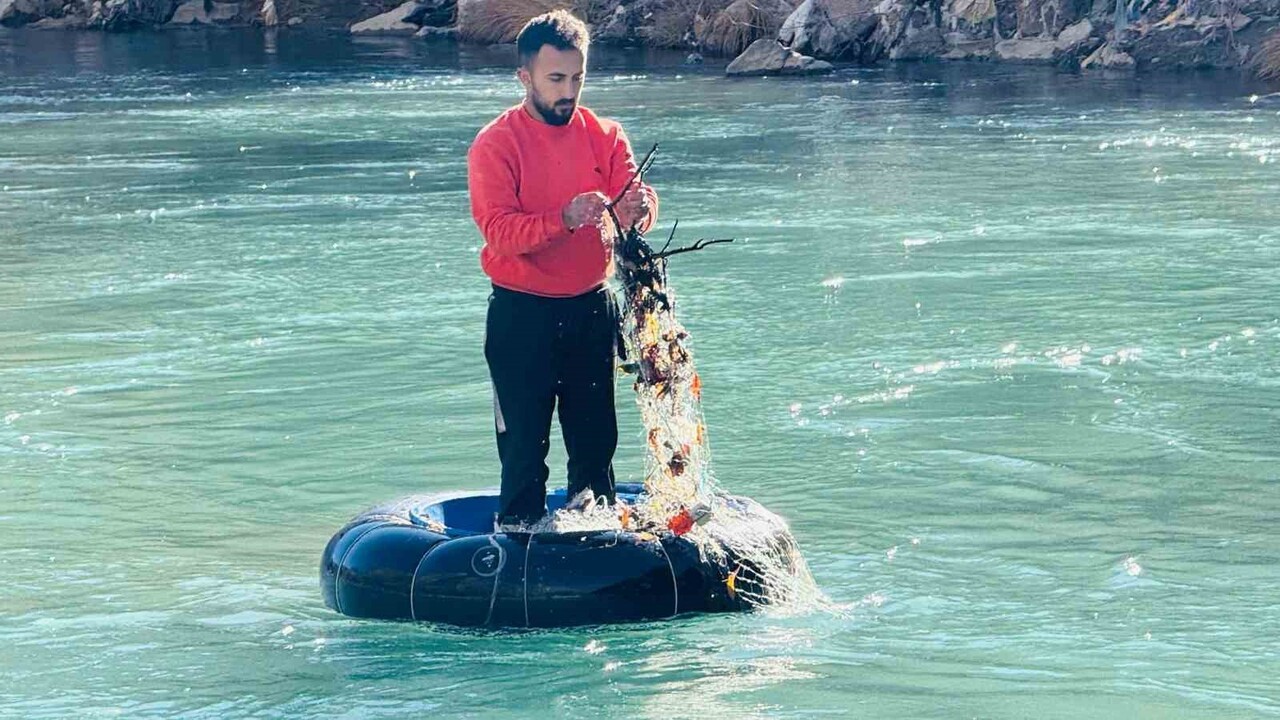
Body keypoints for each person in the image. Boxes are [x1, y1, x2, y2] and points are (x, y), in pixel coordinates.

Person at [467, 10, 659, 529]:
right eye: (556, 80)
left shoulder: (605, 133)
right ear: (524, 77)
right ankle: (520, 546)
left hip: (591, 310)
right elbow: (500, 234)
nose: (569, 91)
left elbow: (634, 201)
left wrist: (639, 208)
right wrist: (565, 219)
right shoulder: (495, 144)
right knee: (524, 451)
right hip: (520, 316)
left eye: (577, 78)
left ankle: (594, 554)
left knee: (596, 448)